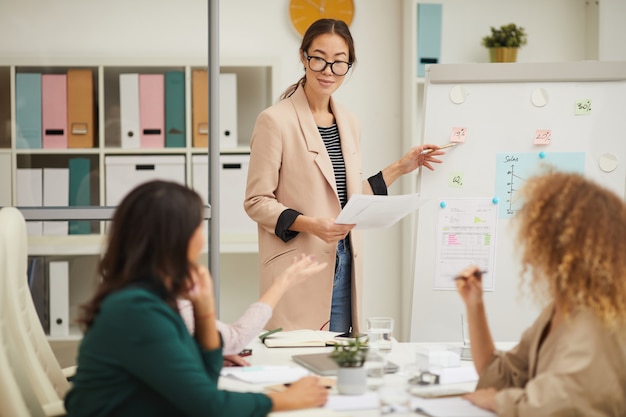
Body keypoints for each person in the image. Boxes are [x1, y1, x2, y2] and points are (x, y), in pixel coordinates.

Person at [244, 18, 446, 333]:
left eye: (339, 63)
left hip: (344, 269)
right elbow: (256, 201)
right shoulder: (274, 121)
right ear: (303, 57)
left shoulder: (349, 122)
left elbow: (345, 199)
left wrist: (399, 167)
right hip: (299, 271)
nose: (328, 70)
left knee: (338, 371)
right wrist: (311, 224)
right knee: (299, 372)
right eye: (319, 59)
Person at [64, 180, 329, 417]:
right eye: (197, 228)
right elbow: (209, 406)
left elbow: (205, 377)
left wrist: (204, 309)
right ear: (174, 239)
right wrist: (284, 400)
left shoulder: (150, 298)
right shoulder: (137, 310)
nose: (202, 239)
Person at [455, 171, 626, 416]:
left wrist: (499, 401)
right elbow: (498, 376)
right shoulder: (558, 310)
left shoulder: (597, 319)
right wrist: (475, 305)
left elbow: (558, 406)